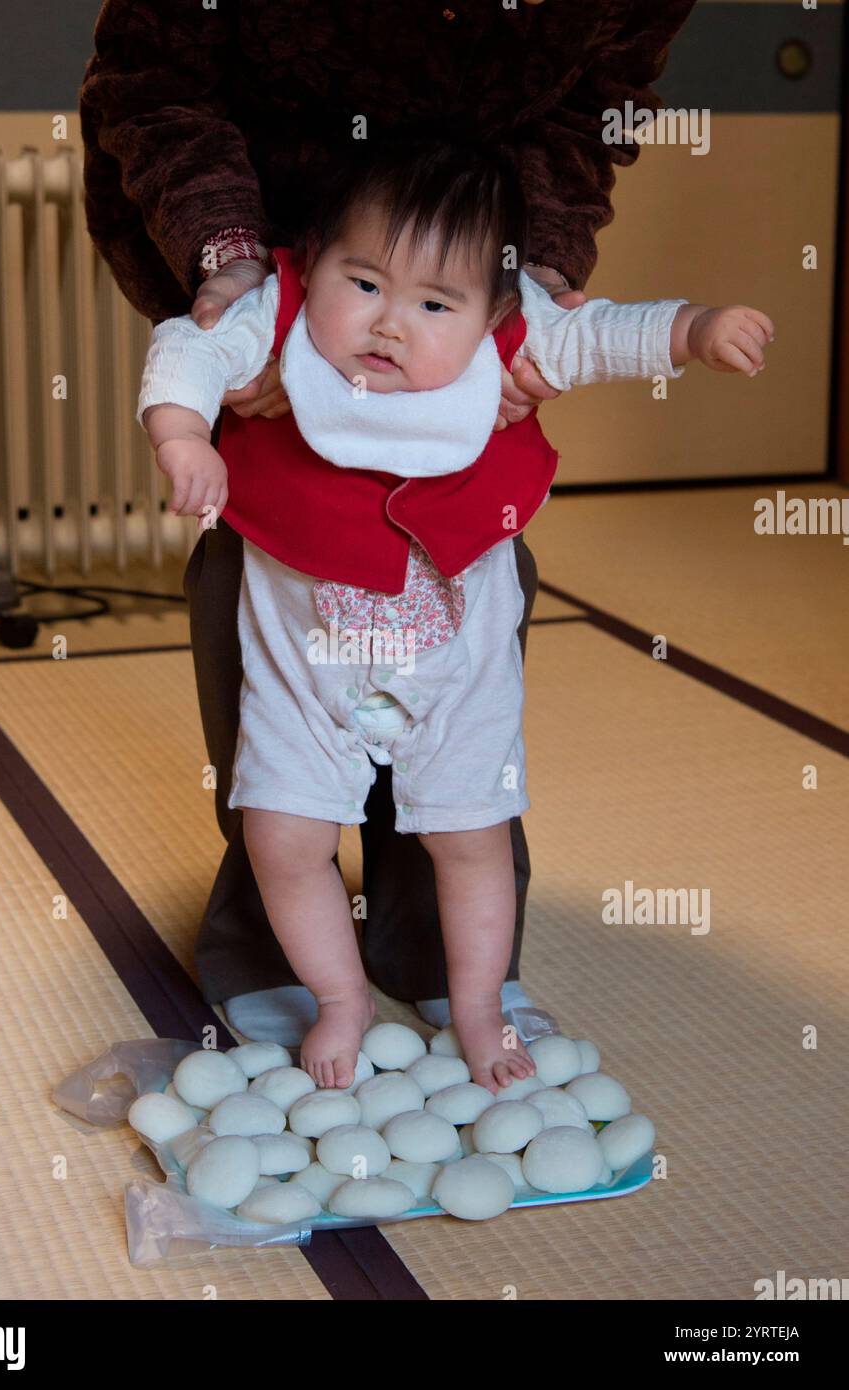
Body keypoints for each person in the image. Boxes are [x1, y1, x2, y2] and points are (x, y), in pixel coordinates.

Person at [79, 0, 699, 1045]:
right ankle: (297, 958)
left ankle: (459, 966)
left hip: (468, 276)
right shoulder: (292, 288)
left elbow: (599, 113)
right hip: (275, 241)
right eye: (367, 289)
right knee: (272, 728)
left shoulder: (484, 312)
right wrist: (228, 296)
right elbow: (157, 79)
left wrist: (540, 283)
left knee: (467, 765)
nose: (389, 319)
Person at [136, 132, 773, 1091]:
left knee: (468, 834)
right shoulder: (272, 314)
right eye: (363, 285)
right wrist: (184, 432)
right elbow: (187, 344)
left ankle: (476, 1004)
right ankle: (338, 994)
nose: (389, 324)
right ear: (313, 267)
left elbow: (605, 332)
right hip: (305, 666)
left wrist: (695, 329)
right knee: (283, 835)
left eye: (434, 304)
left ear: (493, 310)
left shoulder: (514, 336)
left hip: (454, 667)